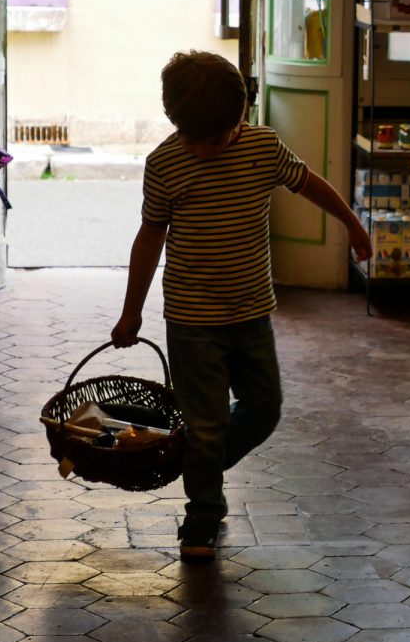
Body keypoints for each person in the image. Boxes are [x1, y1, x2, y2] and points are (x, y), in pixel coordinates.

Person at [111, 50, 371, 561]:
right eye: (199, 139)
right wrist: (131, 310)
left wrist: (351, 221)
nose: (211, 148)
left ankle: (195, 459)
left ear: (242, 117)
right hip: (191, 321)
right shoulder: (164, 165)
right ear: (175, 123)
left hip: (252, 313)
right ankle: (203, 514)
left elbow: (308, 181)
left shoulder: (261, 147)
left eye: (222, 136)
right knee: (205, 422)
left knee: (265, 408)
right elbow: (149, 238)